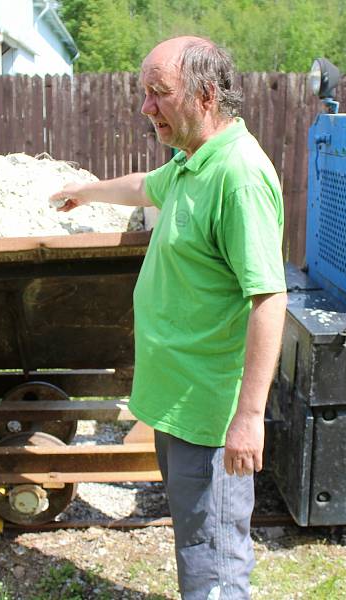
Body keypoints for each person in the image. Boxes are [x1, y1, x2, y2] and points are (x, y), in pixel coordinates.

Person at [50, 36, 287, 600]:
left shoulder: (239, 175)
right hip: (178, 403)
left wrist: (249, 417)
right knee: (196, 543)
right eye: (144, 93)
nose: (145, 108)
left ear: (206, 96)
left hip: (210, 415)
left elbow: (268, 299)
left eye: (159, 93)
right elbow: (143, 186)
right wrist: (86, 192)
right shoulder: (189, 163)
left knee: (215, 557)